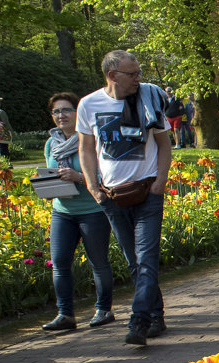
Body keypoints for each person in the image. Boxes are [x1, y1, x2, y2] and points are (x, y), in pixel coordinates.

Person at [77, 50, 172, 347]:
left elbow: (164, 144)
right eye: (133, 74)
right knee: (135, 261)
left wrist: (160, 181)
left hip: (147, 192)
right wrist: (94, 188)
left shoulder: (148, 98)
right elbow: (87, 148)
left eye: (139, 72)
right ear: (113, 75)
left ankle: (138, 322)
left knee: (146, 258)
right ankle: (156, 315)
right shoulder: (89, 104)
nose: (139, 79)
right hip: (112, 195)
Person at [40, 92, 115, 332]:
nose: (60, 116)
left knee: (98, 262)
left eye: (66, 110)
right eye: (56, 112)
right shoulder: (51, 143)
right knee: (60, 262)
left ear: (78, 113)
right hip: (62, 210)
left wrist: (79, 177)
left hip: (92, 209)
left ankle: (104, 309)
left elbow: (105, 177)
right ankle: (66, 315)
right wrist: (46, 186)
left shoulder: (90, 139)